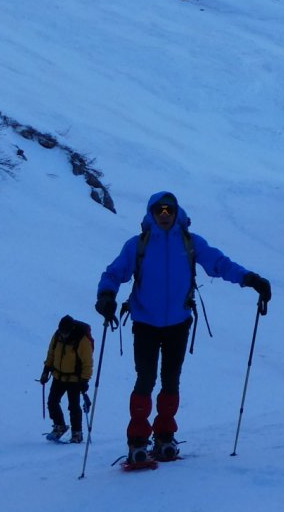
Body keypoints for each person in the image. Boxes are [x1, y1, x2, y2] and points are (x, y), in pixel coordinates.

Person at [97, 190, 271, 466]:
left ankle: (165, 436)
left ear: (177, 213)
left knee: (170, 380)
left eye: (169, 210)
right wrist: (106, 295)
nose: (164, 215)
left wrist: (249, 279)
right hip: (145, 323)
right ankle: (138, 441)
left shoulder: (190, 243)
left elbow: (219, 264)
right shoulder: (138, 245)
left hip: (178, 323)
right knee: (145, 380)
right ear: (151, 213)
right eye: (159, 210)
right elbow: (113, 273)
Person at [39, 315, 93, 443]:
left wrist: (85, 381)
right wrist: (46, 371)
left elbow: (87, 362)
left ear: (71, 329)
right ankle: (60, 426)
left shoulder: (82, 340)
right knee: (52, 402)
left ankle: (77, 433)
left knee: (73, 406)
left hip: (75, 379)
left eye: (66, 333)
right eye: (62, 332)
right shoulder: (57, 335)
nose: (63, 335)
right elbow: (51, 353)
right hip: (58, 376)